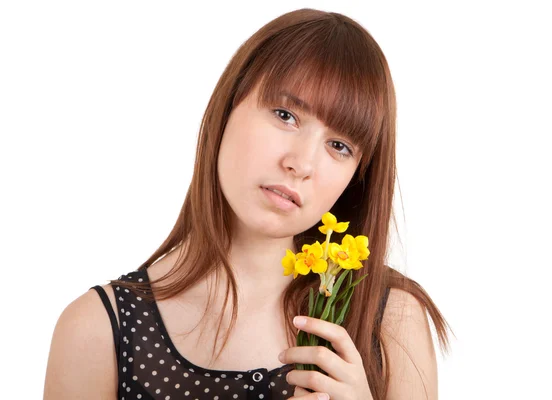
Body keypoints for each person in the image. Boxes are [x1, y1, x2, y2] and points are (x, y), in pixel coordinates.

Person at [43, 8, 452, 400]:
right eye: (285, 114)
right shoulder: (98, 332)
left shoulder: (391, 321)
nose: (301, 163)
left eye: (339, 146)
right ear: (228, 106)